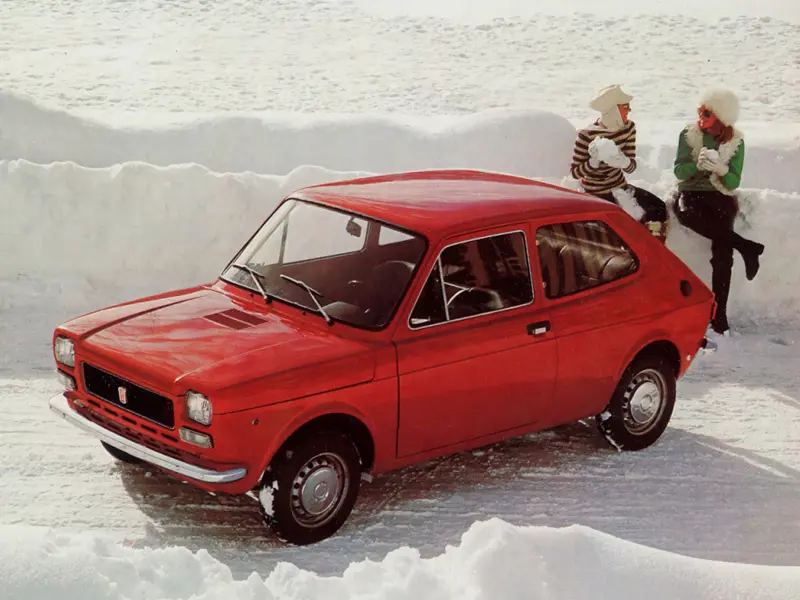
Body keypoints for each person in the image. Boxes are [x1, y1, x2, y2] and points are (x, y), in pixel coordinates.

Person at [672, 87, 765, 335]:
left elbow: (734, 182)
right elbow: (679, 171)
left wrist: (721, 169)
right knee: (686, 214)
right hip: (691, 193)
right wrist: (696, 165)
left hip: (720, 196)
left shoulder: (736, 141)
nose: (700, 116)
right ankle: (747, 247)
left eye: (707, 112)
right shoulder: (688, 135)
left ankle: (719, 313)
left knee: (722, 251)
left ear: (721, 115)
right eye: (699, 111)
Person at [570, 84, 669, 243]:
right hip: (595, 193)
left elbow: (631, 166)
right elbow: (575, 172)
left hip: (620, 186)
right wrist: (592, 163)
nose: (629, 111)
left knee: (658, 208)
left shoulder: (629, 128)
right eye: (625, 107)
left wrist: (623, 162)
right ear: (613, 110)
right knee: (618, 228)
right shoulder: (586, 135)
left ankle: (654, 247)